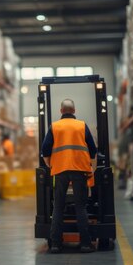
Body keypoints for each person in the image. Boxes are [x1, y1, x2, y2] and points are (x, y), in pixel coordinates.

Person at [41, 98, 98, 254]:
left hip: (60, 170)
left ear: (61, 111)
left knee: (58, 207)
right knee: (80, 207)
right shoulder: (81, 125)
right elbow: (93, 149)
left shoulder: (55, 127)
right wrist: (91, 165)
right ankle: (86, 244)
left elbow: (45, 149)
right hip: (80, 169)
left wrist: (50, 163)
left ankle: (55, 245)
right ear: (74, 111)